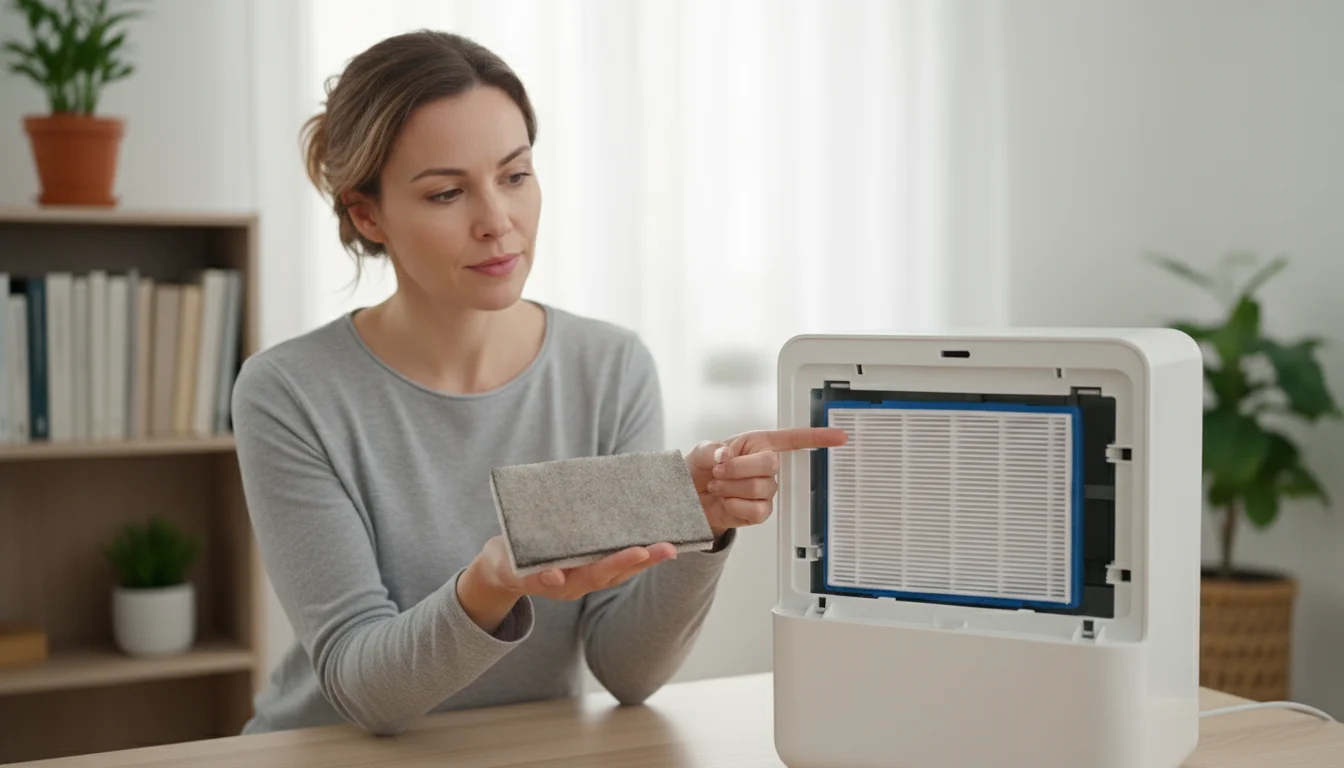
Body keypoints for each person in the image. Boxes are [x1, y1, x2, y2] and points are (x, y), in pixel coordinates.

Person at [230, 29, 846, 737]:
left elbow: (628, 671)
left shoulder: (609, 368)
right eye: (446, 193)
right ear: (367, 213)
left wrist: (702, 527)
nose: (498, 222)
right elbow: (364, 692)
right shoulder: (288, 393)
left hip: (531, 749)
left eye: (515, 175)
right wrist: (489, 586)